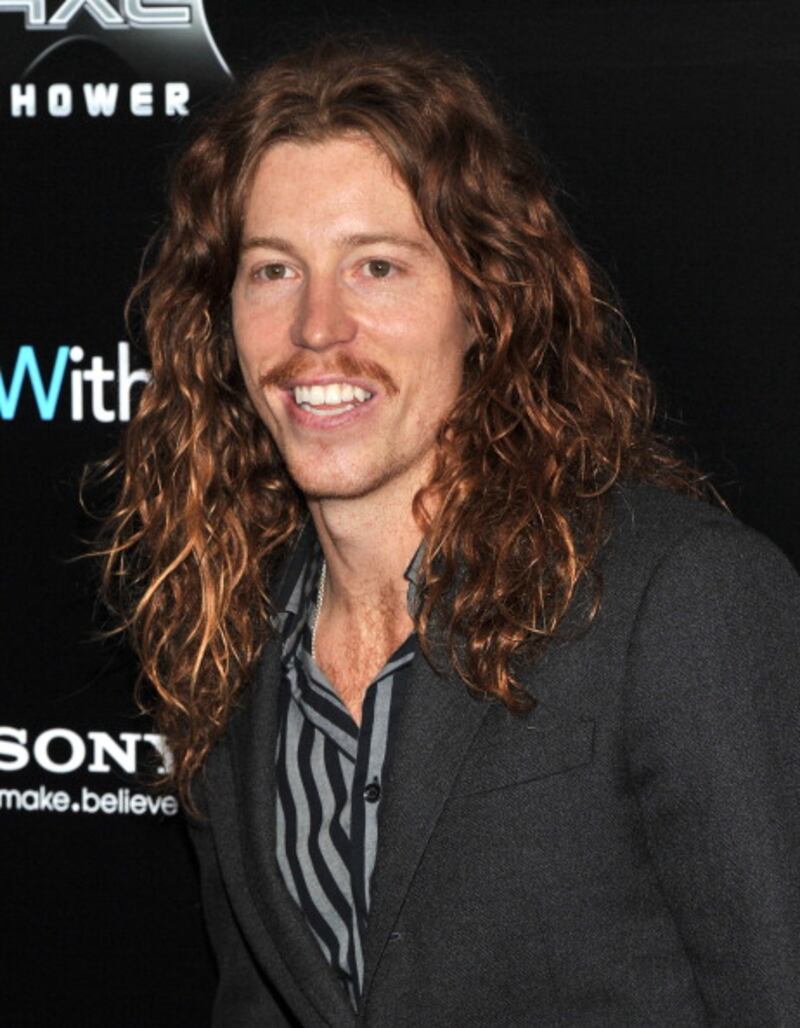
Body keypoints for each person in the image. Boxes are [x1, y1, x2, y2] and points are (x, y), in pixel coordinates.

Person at [99, 37, 800, 1026]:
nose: (316, 327)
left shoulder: (681, 600)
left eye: (376, 266)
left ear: (483, 303)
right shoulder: (227, 637)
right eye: (272, 270)